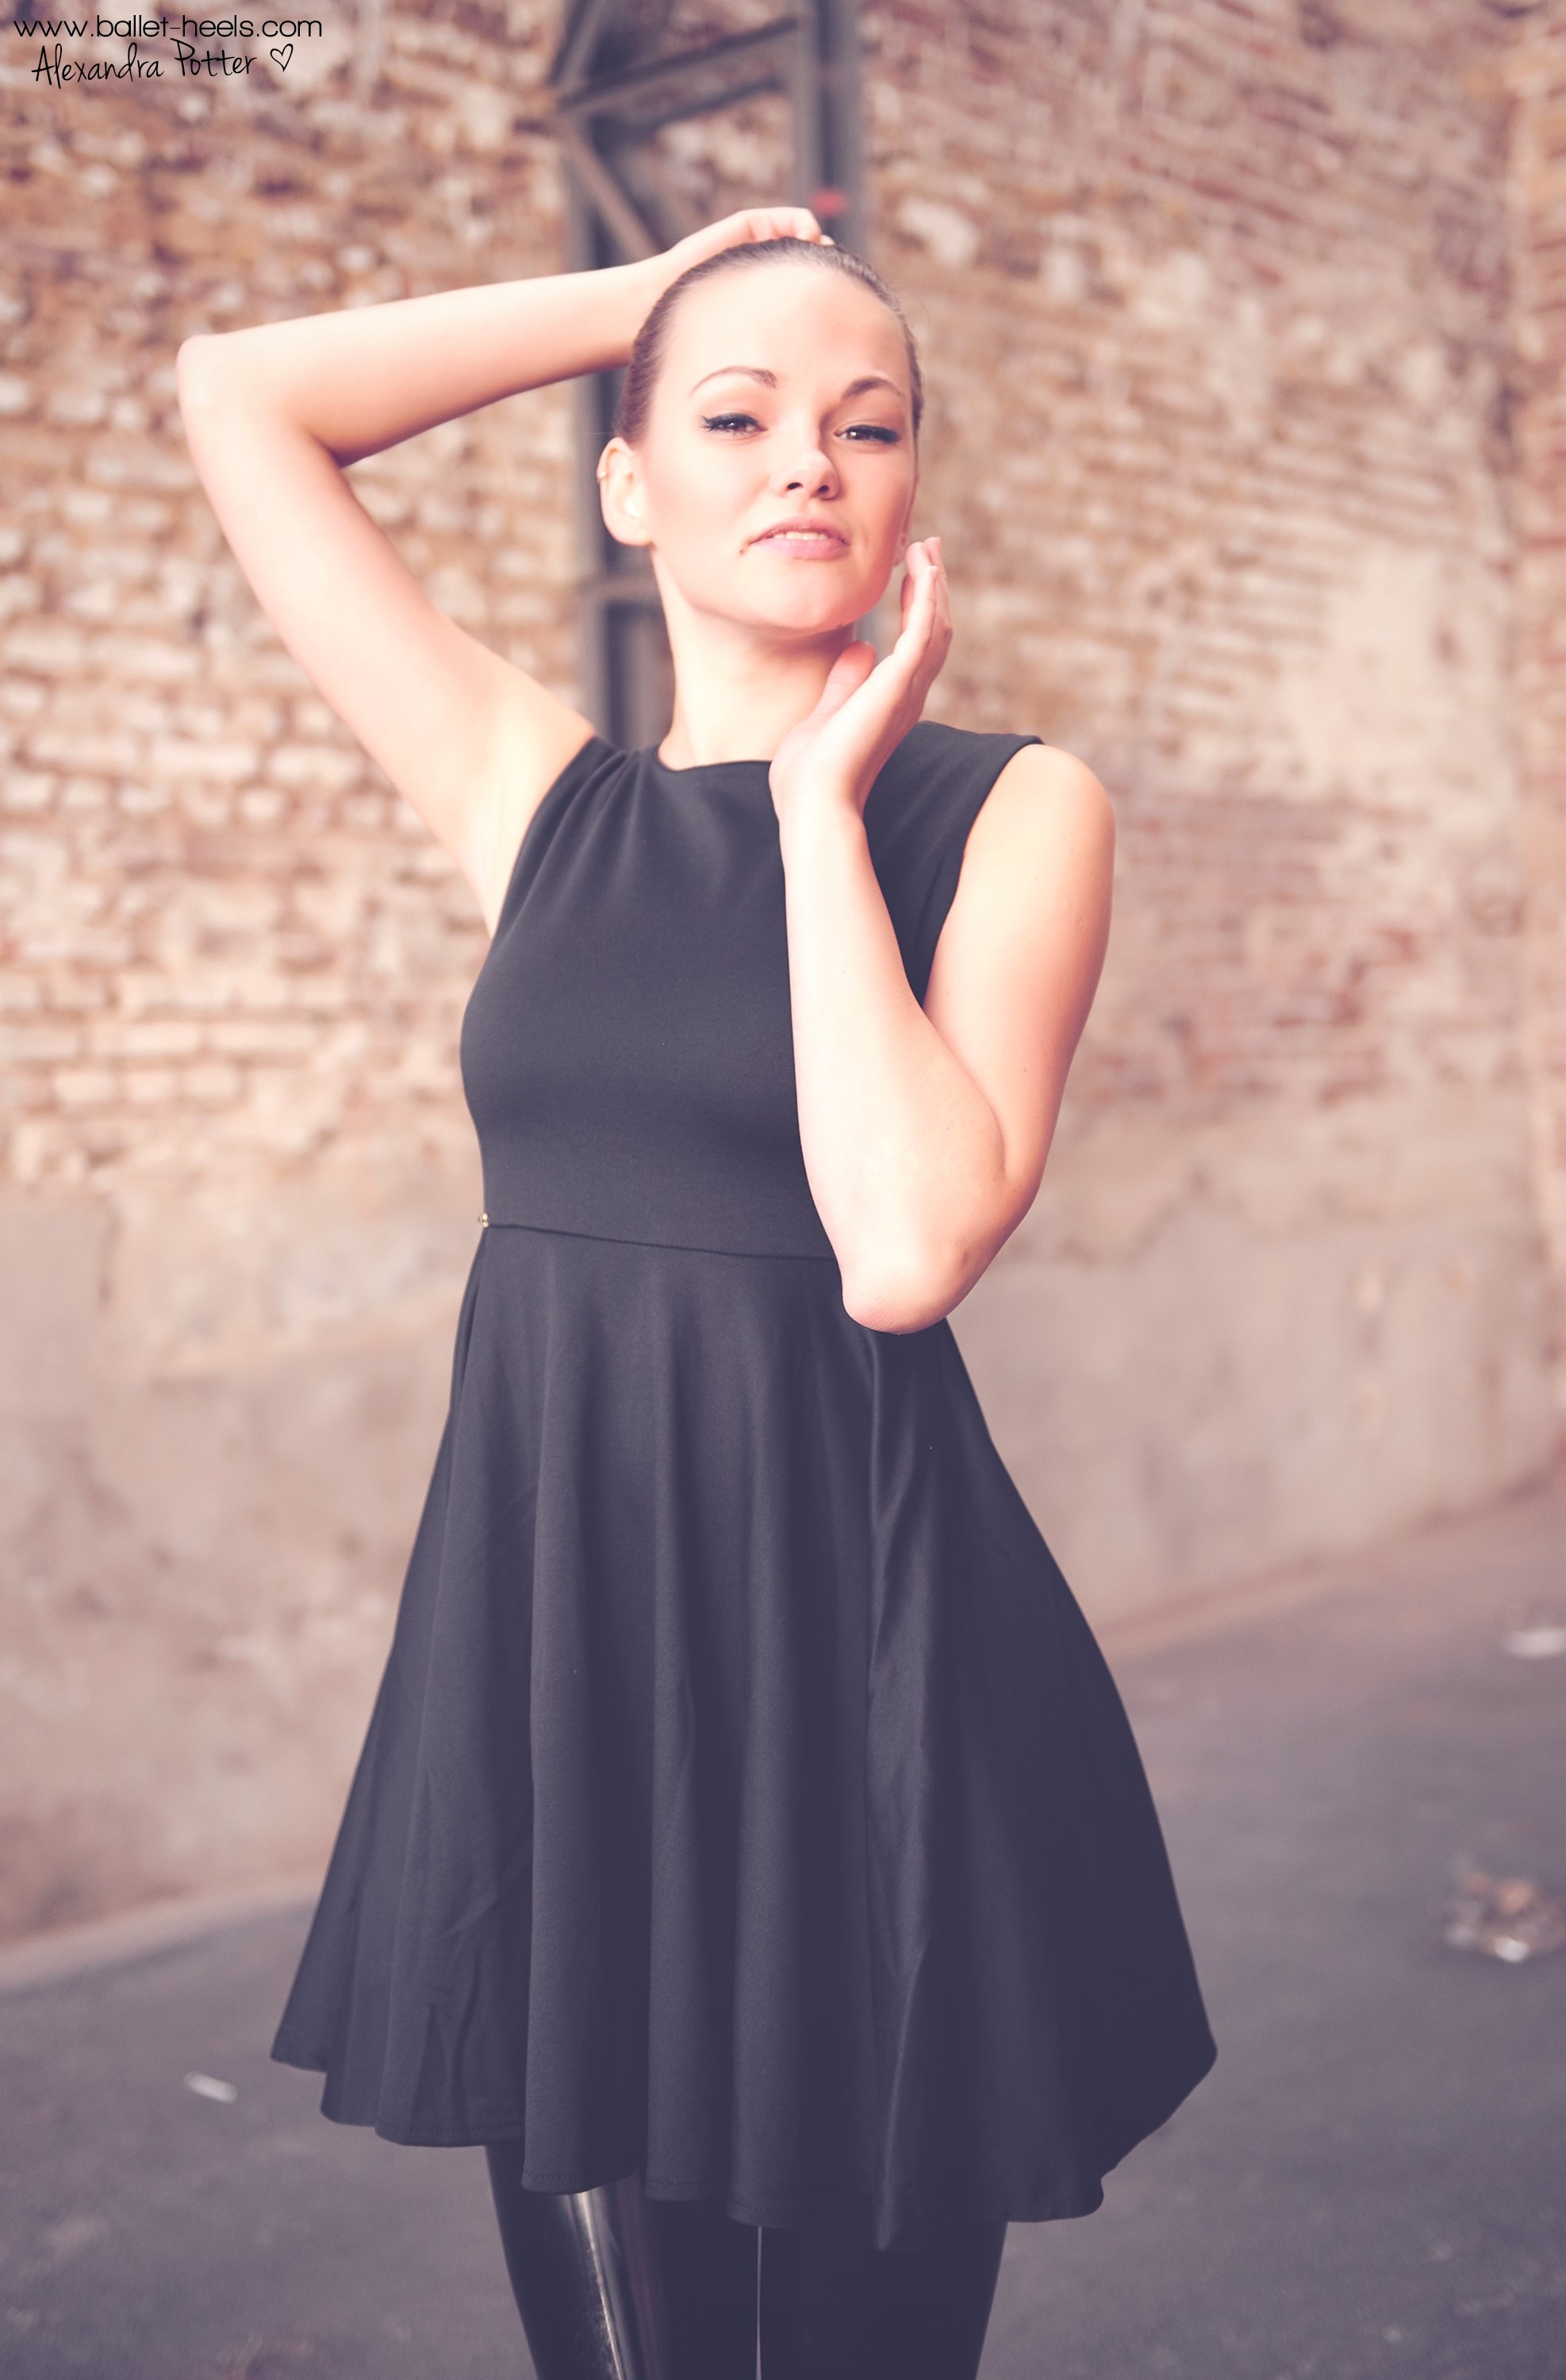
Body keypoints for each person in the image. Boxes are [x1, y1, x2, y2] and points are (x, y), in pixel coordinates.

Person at [177, 204, 1216, 2380]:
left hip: (860, 1668)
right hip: (562, 1653)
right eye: (735, 420)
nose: (810, 460)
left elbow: (909, 1250)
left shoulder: (1012, 811)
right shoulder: (532, 795)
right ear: (629, 481)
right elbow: (240, 395)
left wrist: (824, 813)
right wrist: (648, 303)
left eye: (869, 425)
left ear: (911, 492)